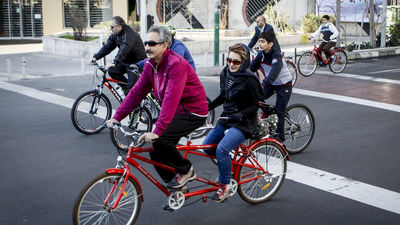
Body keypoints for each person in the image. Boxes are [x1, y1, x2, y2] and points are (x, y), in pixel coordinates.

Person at [106, 25, 208, 190]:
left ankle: (187, 170)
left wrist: (157, 130)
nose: (147, 47)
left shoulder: (176, 64)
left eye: (152, 43)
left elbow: (170, 99)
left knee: (161, 140)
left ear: (165, 45)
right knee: (155, 150)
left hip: (193, 111)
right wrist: (117, 117)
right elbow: (136, 93)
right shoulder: (150, 64)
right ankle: (176, 186)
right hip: (176, 111)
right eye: (146, 43)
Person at [203, 43, 263, 202]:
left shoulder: (250, 79)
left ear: (244, 62)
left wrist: (240, 116)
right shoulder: (226, 73)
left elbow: (254, 105)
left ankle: (225, 185)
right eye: (229, 60)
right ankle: (227, 166)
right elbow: (224, 95)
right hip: (227, 117)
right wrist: (208, 107)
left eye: (235, 62)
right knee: (207, 148)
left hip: (244, 122)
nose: (231, 64)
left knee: (221, 150)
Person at [250, 31, 292, 144]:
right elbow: (251, 68)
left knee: (279, 111)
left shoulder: (276, 55)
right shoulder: (261, 55)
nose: (260, 43)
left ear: (270, 44)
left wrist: (262, 85)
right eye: (259, 41)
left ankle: (280, 138)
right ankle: (267, 117)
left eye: (263, 41)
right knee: (256, 99)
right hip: (272, 84)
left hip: (284, 84)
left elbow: (272, 75)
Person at [90, 16, 146, 92]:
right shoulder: (115, 35)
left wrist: (114, 62)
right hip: (125, 62)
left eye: (112, 27)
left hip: (136, 62)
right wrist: (95, 57)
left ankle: (132, 98)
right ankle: (126, 90)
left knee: (131, 85)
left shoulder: (129, 35)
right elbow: (107, 47)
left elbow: (124, 49)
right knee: (112, 71)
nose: (110, 29)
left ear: (119, 27)